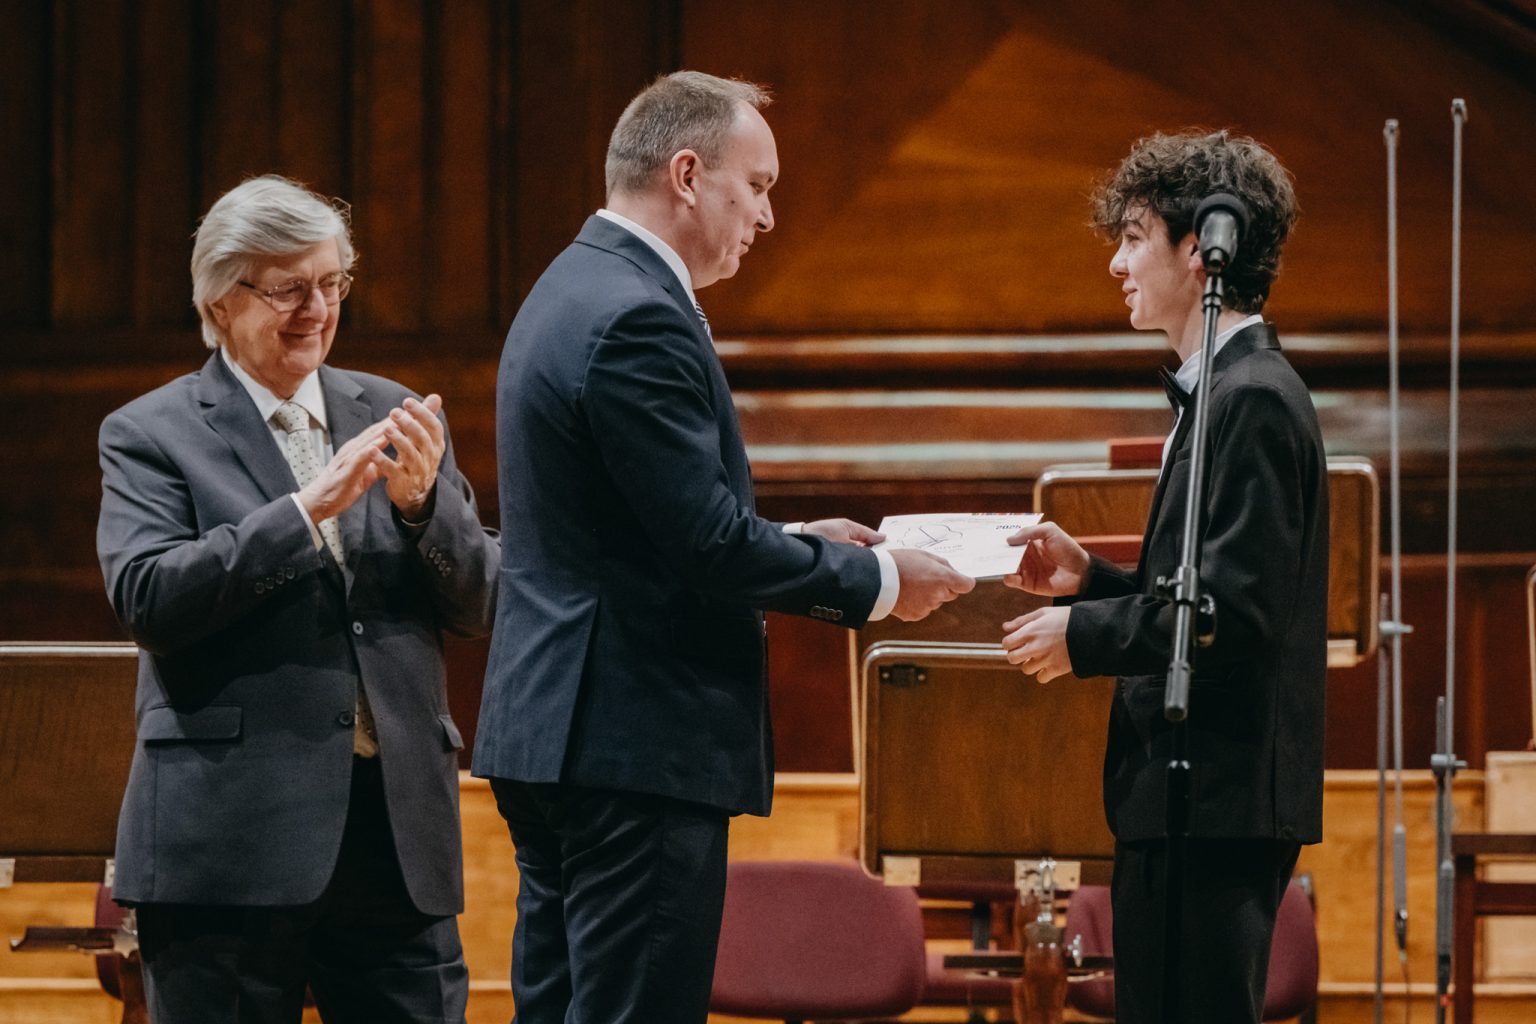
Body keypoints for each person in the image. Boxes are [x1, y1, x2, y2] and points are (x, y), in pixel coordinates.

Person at [473, 71, 973, 1023]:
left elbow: (635, 526)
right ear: (688, 174)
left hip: (557, 732)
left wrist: (788, 538)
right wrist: (879, 581)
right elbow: (706, 545)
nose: (768, 215)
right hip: (634, 739)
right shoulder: (637, 312)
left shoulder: (567, 286)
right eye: (759, 184)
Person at [96, 175, 500, 1024]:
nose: (316, 309)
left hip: (395, 839)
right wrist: (304, 512)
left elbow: (481, 604)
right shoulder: (151, 432)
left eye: (331, 283)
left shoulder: (393, 411)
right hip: (231, 844)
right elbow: (150, 598)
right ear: (220, 300)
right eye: (287, 289)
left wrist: (424, 511)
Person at [999, 131, 1328, 1023]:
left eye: (1134, 236)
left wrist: (1083, 638)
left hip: (1218, 796)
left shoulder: (1254, 397)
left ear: (1200, 248)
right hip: (1191, 798)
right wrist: (1091, 583)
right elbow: (1196, 596)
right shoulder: (1224, 390)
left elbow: (1240, 615)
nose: (1117, 263)